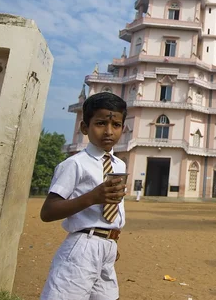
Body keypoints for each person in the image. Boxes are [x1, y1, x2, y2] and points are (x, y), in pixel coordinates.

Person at [40, 92, 128, 300]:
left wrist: (110, 242)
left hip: (107, 246)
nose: (108, 131)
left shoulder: (119, 165)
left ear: (123, 128)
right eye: (100, 123)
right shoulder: (75, 164)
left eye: (116, 125)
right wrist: (92, 197)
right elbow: (48, 211)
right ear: (84, 127)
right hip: (82, 246)